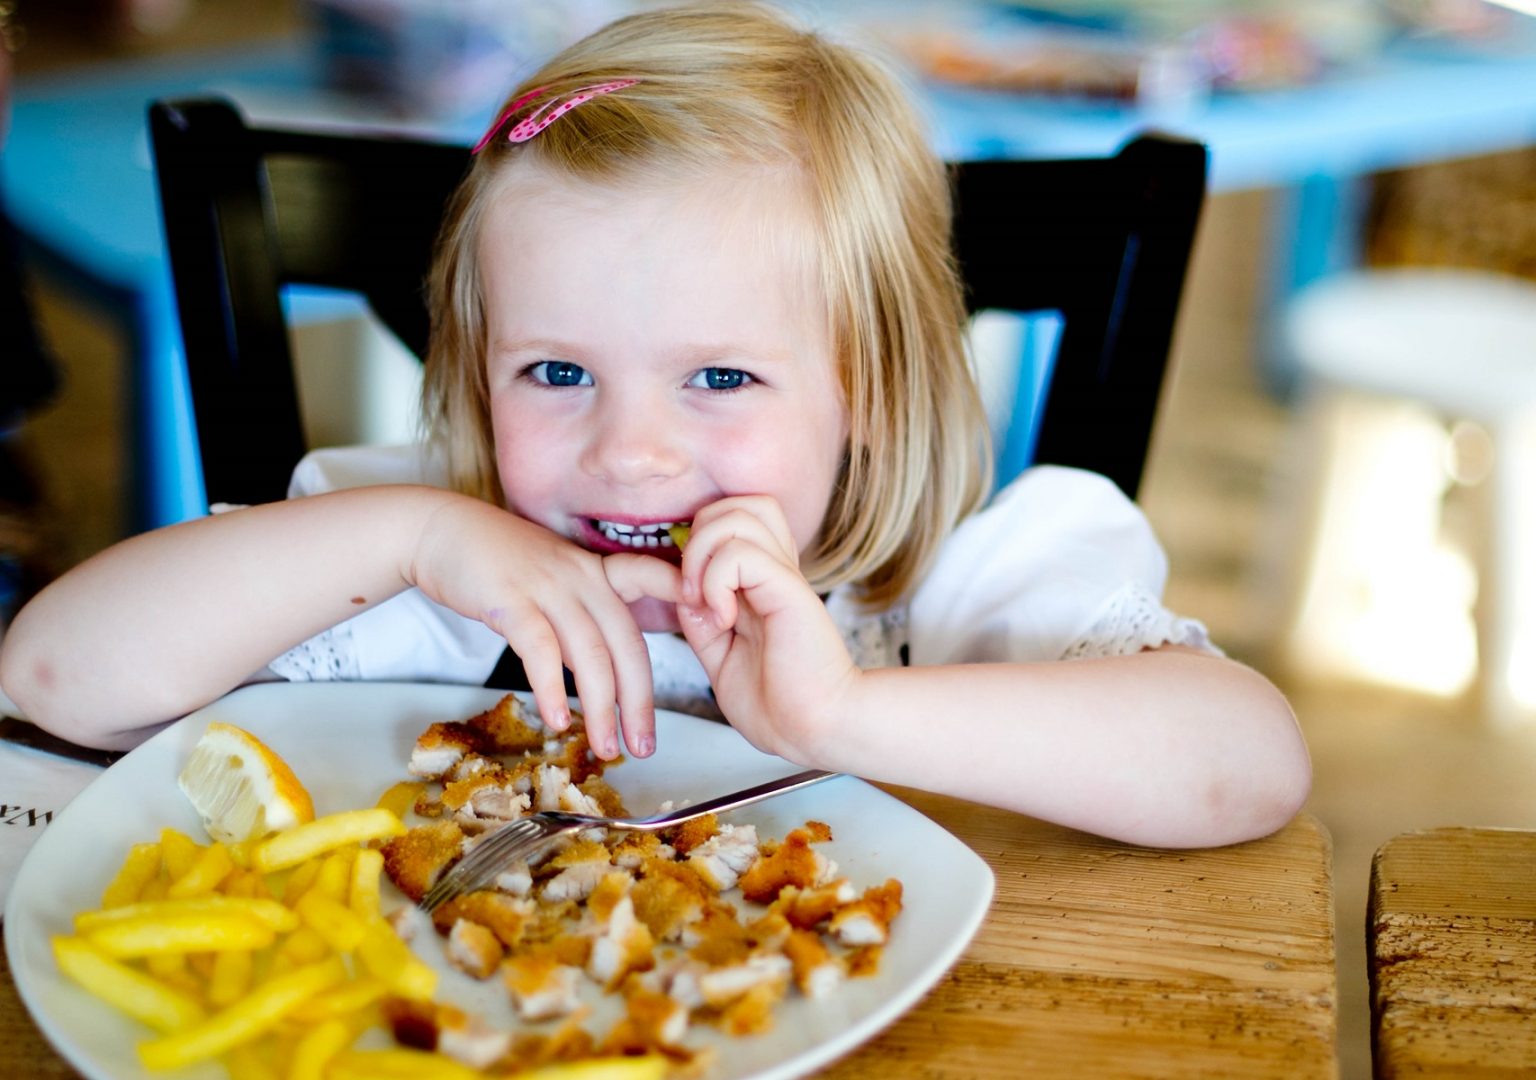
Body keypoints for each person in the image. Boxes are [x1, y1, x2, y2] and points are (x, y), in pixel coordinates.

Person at [0, 2, 1309, 847]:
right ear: (476, 366)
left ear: (871, 385)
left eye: (722, 380)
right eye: (556, 373)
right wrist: (409, 534)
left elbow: (1246, 768)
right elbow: (49, 678)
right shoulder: (421, 561)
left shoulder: (955, 580)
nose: (630, 453)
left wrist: (844, 716)